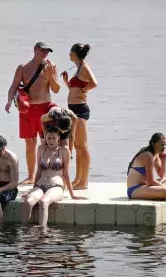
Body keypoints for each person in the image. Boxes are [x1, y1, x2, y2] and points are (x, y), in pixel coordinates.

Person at [5, 41, 61, 184]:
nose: (45, 53)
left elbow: (56, 89)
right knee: (30, 144)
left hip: (45, 108)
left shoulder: (51, 66)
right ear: (35, 49)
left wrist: (50, 76)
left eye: (47, 51)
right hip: (28, 110)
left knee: (47, 143)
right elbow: (13, 87)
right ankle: (31, 176)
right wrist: (10, 101)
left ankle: (46, 174)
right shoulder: (23, 67)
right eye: (42, 50)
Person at [21, 126, 85, 227]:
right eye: (49, 138)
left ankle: (42, 232)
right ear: (45, 138)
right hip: (40, 185)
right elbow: (38, 171)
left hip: (56, 187)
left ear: (58, 138)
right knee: (28, 202)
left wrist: (72, 194)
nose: (51, 141)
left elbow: (66, 174)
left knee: (43, 202)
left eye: (54, 138)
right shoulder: (41, 149)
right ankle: (23, 231)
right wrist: (32, 189)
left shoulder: (64, 150)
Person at [60, 43, 98, 190]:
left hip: (81, 110)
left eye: (70, 52)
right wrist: (66, 82)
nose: (69, 54)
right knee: (76, 146)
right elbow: (74, 88)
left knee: (82, 146)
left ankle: (84, 181)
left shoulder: (84, 66)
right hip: (73, 109)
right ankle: (77, 179)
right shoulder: (78, 68)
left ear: (75, 53)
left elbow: (94, 83)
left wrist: (84, 89)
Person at [126, 133, 166, 200]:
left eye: (164, 145)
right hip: (135, 189)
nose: (164, 147)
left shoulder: (156, 154)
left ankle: (156, 193)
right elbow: (151, 181)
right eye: (161, 145)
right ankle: (159, 193)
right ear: (153, 144)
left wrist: (163, 160)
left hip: (146, 186)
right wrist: (165, 188)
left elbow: (161, 175)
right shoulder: (148, 155)